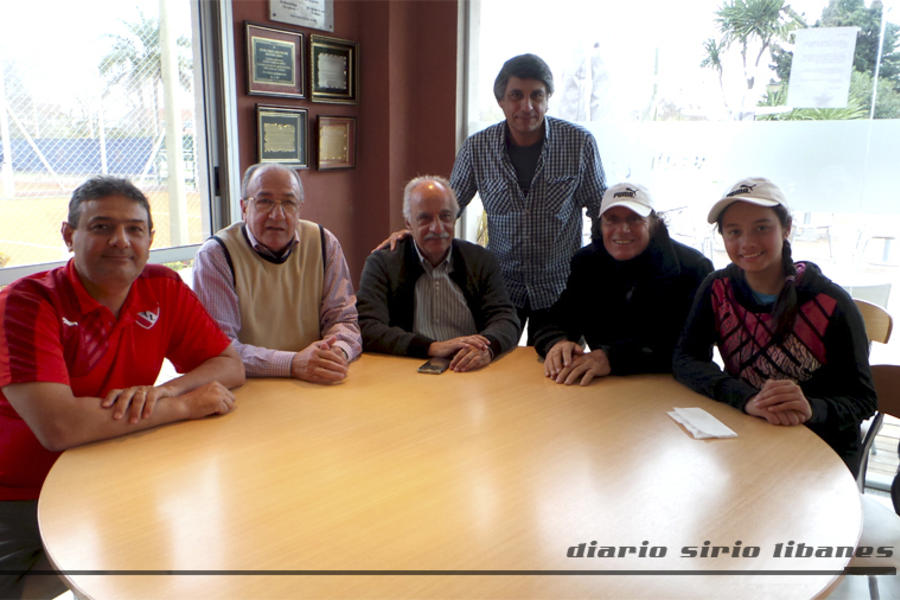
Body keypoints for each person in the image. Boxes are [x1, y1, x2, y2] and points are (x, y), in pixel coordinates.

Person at [0, 176, 245, 599]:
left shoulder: (162, 287)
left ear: (151, 238)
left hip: (111, 474)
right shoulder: (26, 303)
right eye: (101, 227)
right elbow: (60, 428)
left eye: (134, 229)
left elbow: (228, 365)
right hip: (20, 495)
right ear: (68, 235)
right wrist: (184, 407)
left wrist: (167, 391)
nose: (120, 241)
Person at [376, 53, 606, 344]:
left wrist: (600, 270)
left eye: (537, 95)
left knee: (558, 370)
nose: (527, 106)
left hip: (559, 286)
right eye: (516, 96)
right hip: (500, 288)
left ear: (548, 99)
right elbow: (449, 206)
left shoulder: (579, 143)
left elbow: (600, 210)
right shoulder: (477, 147)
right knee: (493, 364)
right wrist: (412, 234)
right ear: (501, 101)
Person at [673, 177, 876, 474]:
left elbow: (863, 399)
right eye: (734, 232)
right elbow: (686, 359)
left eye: (761, 227)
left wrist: (811, 408)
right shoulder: (717, 288)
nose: (747, 243)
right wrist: (745, 399)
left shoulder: (831, 303)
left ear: (787, 228)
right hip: (745, 431)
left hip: (820, 447)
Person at [193, 163, 362, 384]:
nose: (277, 215)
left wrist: (336, 353)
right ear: (244, 208)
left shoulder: (323, 242)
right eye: (264, 201)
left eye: (288, 203)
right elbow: (219, 348)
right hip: (248, 389)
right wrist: (292, 363)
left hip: (314, 381)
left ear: (299, 208)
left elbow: (344, 319)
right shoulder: (216, 255)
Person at [535, 183, 713, 385]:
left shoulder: (693, 268)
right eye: (612, 220)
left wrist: (612, 358)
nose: (623, 229)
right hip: (603, 389)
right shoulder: (586, 262)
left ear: (654, 223)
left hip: (671, 388)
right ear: (600, 226)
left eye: (634, 219)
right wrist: (557, 343)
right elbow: (556, 319)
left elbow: (694, 349)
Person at [357, 176, 519, 372]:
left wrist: (487, 348)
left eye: (445, 216)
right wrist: (432, 347)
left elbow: (506, 319)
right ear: (408, 223)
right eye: (425, 218)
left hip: (470, 371)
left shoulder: (480, 260)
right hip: (405, 372)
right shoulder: (383, 264)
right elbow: (367, 327)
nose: (437, 227)